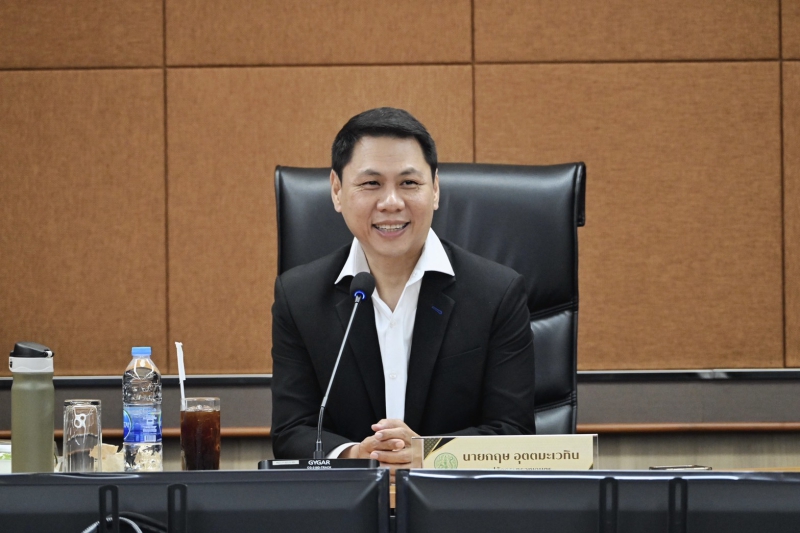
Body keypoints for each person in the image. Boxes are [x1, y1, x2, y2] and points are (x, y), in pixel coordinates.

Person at [271, 107, 535, 472]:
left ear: (435, 189)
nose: (391, 202)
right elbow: (291, 431)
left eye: (409, 183)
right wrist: (355, 456)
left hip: (453, 501)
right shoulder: (299, 298)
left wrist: (429, 454)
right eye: (371, 184)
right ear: (337, 191)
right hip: (348, 501)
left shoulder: (497, 293)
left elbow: (514, 433)